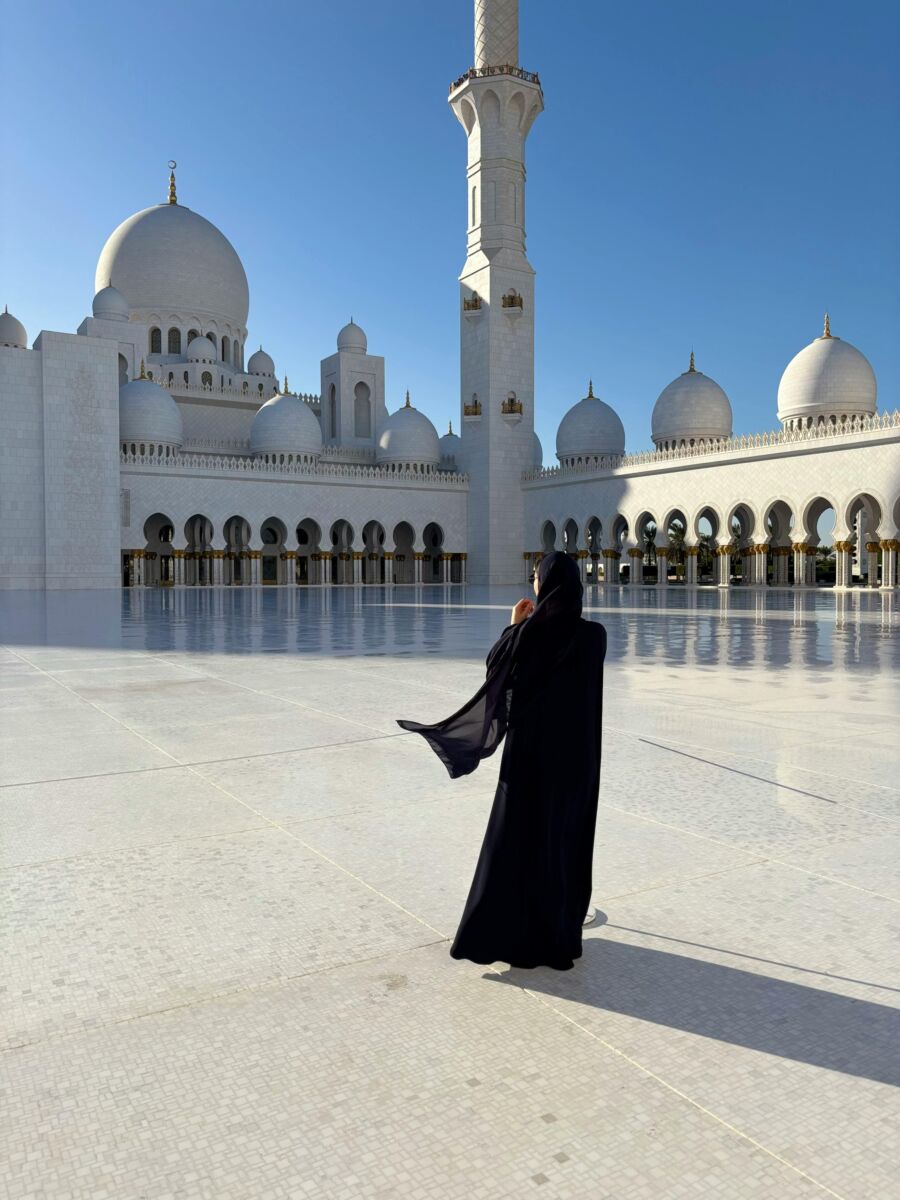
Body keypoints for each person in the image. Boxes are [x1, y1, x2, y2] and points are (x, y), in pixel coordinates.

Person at [397, 551, 607, 971]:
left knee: (517, 840)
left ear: (543, 584)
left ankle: (503, 934)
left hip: (529, 757)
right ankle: (559, 933)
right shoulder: (594, 636)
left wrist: (514, 628)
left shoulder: (525, 637)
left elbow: (497, 674)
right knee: (563, 840)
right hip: (577, 759)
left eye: (535, 578)